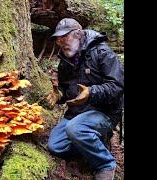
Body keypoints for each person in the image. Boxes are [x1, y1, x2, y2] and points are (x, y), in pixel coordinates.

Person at [45, 18, 124, 180]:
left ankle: (106, 165)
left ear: (79, 34)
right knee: (55, 146)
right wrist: (59, 94)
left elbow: (117, 86)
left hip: (104, 112)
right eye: (58, 39)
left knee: (75, 129)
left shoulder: (102, 53)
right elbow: (67, 89)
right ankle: (93, 144)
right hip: (78, 113)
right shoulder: (65, 61)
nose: (61, 42)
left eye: (64, 37)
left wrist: (91, 92)